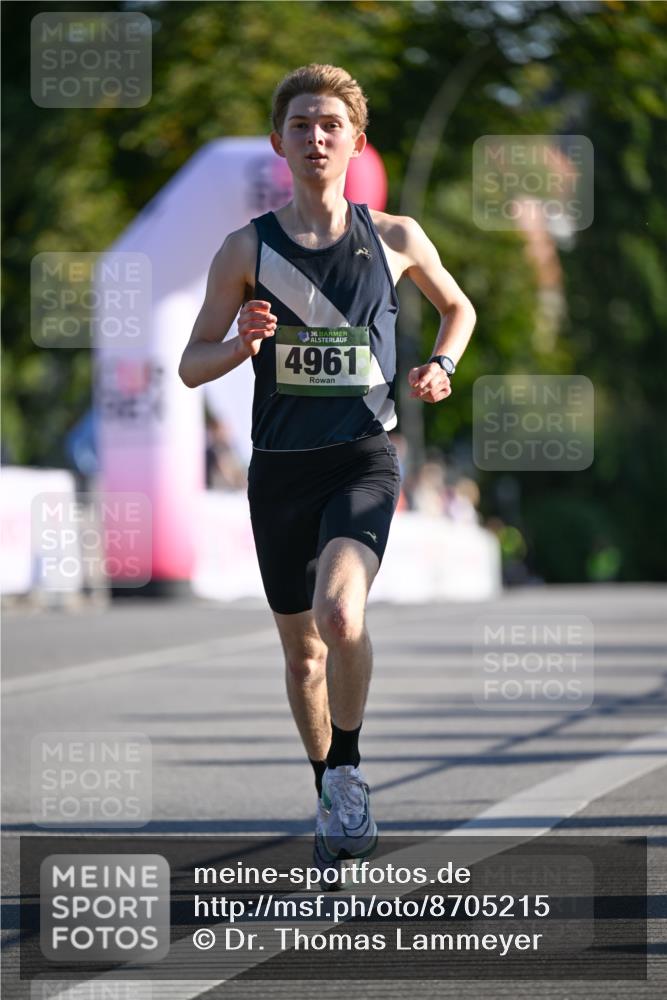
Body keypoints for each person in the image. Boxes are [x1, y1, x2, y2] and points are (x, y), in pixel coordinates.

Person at [179, 64, 476, 879]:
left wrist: (443, 365)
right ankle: (330, 793)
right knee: (303, 655)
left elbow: (460, 308)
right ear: (279, 141)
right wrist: (240, 343)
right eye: (301, 123)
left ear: (354, 139)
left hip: (362, 458)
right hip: (278, 471)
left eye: (331, 124)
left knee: (339, 617)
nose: (316, 136)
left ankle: (345, 765)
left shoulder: (396, 237)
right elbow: (189, 366)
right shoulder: (247, 248)